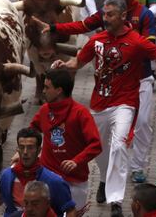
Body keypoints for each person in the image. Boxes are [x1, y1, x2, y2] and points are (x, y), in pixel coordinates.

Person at [51, 0, 156, 216]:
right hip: (99, 104)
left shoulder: (136, 41)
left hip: (125, 103)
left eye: (110, 14)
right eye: (104, 14)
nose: (105, 18)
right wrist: (64, 65)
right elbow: (78, 63)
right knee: (98, 149)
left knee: (119, 145)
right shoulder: (97, 40)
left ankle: (115, 200)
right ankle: (106, 178)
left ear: (123, 16)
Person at [36, 0, 156, 184]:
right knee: (106, 139)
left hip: (142, 77)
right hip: (112, 85)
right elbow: (82, 26)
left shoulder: (145, 15)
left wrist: (128, 48)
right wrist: (55, 28)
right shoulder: (106, 14)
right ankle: (105, 177)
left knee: (143, 124)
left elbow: (149, 47)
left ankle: (137, 166)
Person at [23, 69, 102, 212]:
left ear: (59, 90)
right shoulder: (44, 110)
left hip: (74, 182)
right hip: (47, 179)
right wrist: (24, 149)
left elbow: (96, 145)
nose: (43, 90)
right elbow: (32, 130)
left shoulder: (81, 113)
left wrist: (76, 161)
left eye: (47, 87)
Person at [0, 128, 76, 217]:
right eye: (22, 147)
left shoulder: (55, 182)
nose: (25, 152)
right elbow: (2, 193)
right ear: (17, 149)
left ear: (39, 150)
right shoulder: (6, 175)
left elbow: (70, 210)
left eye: (30, 147)